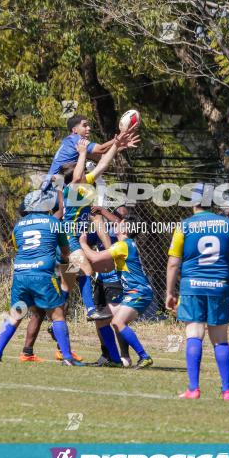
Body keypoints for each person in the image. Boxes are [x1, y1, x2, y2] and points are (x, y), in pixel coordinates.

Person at [0, 188, 84, 366]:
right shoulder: (54, 223)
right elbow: (65, 253)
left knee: (15, 315)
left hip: (21, 274)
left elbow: (19, 249)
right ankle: (67, 357)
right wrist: (73, 269)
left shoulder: (18, 225)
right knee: (57, 315)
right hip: (42, 275)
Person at [165, 186, 229, 400]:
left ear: (193, 202)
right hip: (219, 285)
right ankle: (227, 391)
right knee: (220, 339)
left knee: (194, 335)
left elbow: (173, 263)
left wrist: (169, 292)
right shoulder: (228, 225)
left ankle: (193, 388)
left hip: (192, 286)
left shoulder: (184, 226)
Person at [60, 132, 134, 320]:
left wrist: (116, 145)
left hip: (79, 236)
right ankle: (90, 309)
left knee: (67, 284)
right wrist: (83, 152)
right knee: (86, 270)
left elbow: (103, 164)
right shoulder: (71, 189)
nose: (85, 172)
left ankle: (56, 317)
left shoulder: (87, 184)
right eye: (83, 170)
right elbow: (77, 178)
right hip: (69, 236)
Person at [79, 214, 154, 370]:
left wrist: (82, 243)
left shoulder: (123, 245)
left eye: (121, 223)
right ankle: (114, 358)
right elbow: (104, 265)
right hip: (133, 292)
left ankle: (144, 356)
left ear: (126, 228)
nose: (117, 224)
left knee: (117, 322)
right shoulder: (126, 245)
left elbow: (95, 257)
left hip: (139, 292)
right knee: (101, 319)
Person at [86, 206, 132, 367]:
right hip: (101, 279)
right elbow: (85, 244)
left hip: (116, 279)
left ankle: (125, 356)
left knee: (118, 320)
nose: (118, 217)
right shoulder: (101, 229)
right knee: (100, 320)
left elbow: (119, 222)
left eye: (121, 214)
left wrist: (102, 212)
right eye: (117, 212)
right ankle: (107, 354)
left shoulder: (123, 233)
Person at [41, 115, 138, 191]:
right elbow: (101, 149)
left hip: (52, 186)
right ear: (74, 130)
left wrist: (121, 146)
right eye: (84, 125)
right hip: (54, 187)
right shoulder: (76, 139)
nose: (89, 128)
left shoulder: (71, 143)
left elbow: (101, 157)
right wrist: (118, 137)